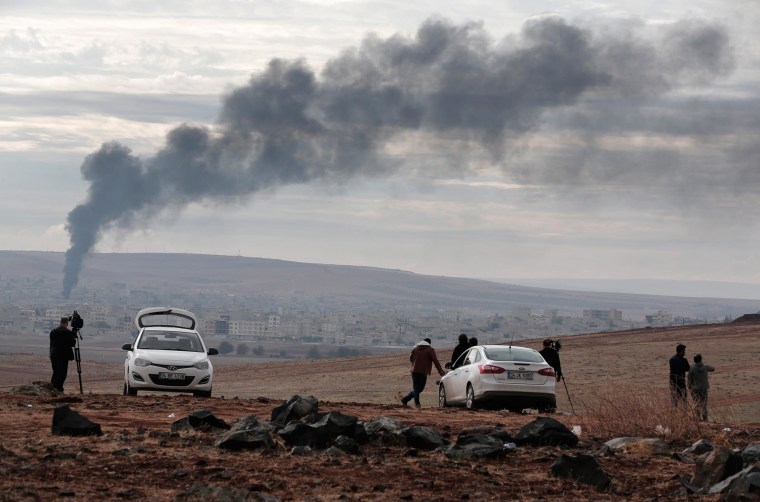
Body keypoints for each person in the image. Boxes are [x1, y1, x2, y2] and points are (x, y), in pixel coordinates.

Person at [401, 338, 445, 408]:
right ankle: (417, 403)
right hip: (423, 372)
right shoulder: (430, 350)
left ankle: (405, 399)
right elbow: (435, 361)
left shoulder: (415, 348)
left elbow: (411, 359)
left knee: (417, 389)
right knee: (419, 388)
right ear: (429, 343)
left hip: (414, 371)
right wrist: (440, 371)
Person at [49, 316, 76, 392]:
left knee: (56, 372)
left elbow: (52, 343)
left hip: (54, 355)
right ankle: (59, 389)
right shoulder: (67, 332)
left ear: (60, 322)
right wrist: (73, 335)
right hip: (63, 356)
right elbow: (73, 343)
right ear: (67, 323)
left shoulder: (53, 331)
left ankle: (53, 389)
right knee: (62, 374)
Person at [688, 354, 715, 421]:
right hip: (703, 388)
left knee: (696, 404)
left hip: (695, 388)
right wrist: (704, 364)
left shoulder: (692, 368)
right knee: (704, 404)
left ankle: (698, 418)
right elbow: (713, 369)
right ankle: (705, 419)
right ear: (701, 359)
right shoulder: (705, 367)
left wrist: (690, 388)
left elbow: (689, 380)